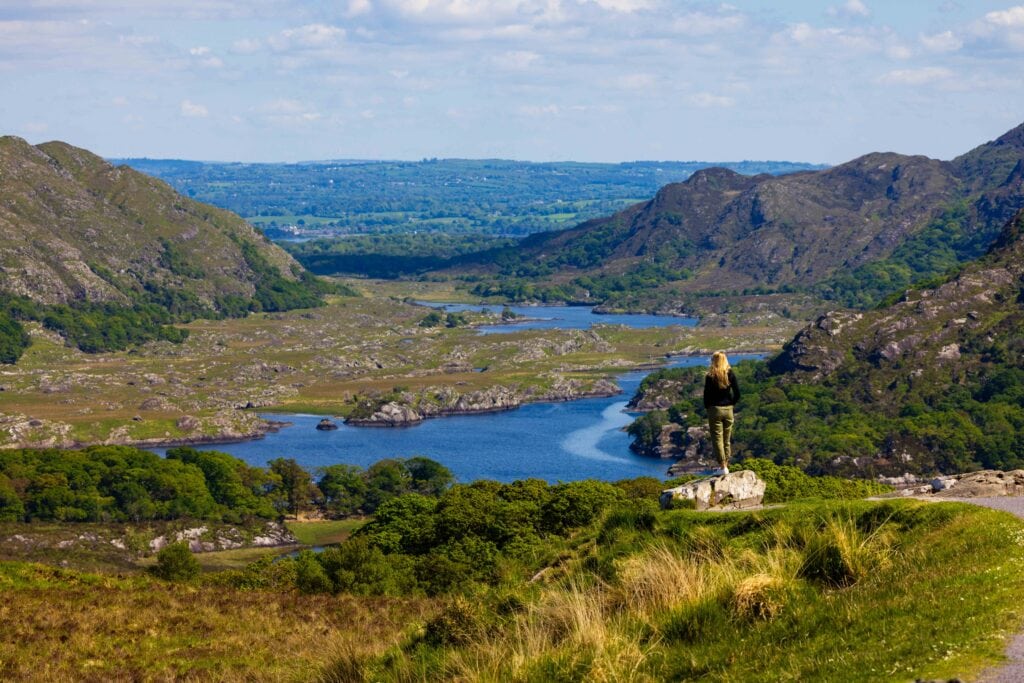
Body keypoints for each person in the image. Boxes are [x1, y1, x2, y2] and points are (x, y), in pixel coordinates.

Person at [704, 351, 740, 475]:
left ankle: (722, 466)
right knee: (727, 438)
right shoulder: (730, 374)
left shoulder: (710, 376)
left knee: (717, 438)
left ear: (714, 361)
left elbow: (706, 395)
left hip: (715, 409)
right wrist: (731, 404)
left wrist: (708, 407)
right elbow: (737, 393)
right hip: (728, 409)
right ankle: (726, 465)